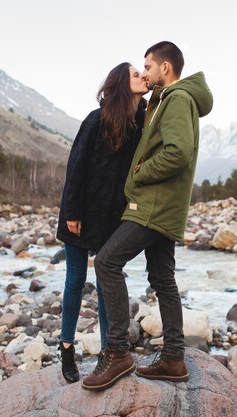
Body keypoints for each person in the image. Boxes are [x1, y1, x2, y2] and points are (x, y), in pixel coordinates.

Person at [82, 41, 213, 391]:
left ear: (165, 67)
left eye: (149, 66)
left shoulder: (177, 99)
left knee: (108, 262)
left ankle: (119, 353)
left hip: (154, 206)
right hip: (164, 207)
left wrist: (140, 171)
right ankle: (173, 358)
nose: (145, 72)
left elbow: (178, 153)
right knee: (163, 279)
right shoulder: (167, 100)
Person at [56, 62, 148, 383]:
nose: (143, 76)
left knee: (109, 284)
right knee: (75, 281)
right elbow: (76, 167)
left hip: (113, 217)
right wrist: (72, 213)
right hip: (81, 213)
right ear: (122, 83)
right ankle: (67, 347)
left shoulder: (141, 122)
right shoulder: (97, 119)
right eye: (137, 74)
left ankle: (110, 352)